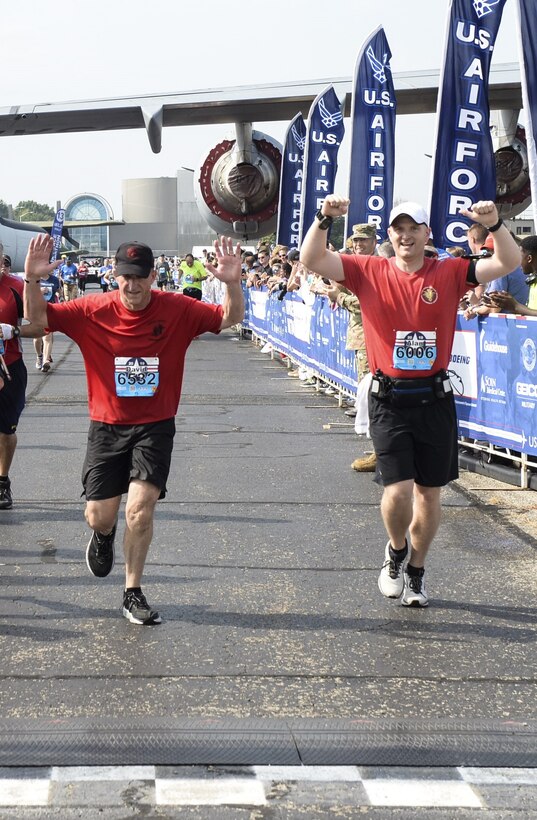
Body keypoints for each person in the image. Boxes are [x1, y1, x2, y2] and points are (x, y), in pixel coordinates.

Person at [300, 196, 520, 608]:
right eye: (398, 228)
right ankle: (396, 552)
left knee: (429, 495)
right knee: (398, 492)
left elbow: (506, 262)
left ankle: (417, 570)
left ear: (426, 233)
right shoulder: (368, 269)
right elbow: (312, 257)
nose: (406, 235)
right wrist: (324, 218)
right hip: (390, 398)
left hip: (434, 399)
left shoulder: (451, 271)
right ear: (390, 235)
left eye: (413, 228)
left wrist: (496, 225)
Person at [23, 234, 244, 625]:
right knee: (99, 516)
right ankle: (104, 535)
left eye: (140, 277)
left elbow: (229, 319)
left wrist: (231, 283)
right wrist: (32, 281)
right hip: (107, 427)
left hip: (155, 427)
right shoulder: (91, 309)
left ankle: (132, 591)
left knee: (140, 512)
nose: (133, 285)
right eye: (126, 277)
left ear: (153, 276)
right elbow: (39, 321)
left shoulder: (177, 309)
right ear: (115, 275)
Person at [320, 223, 378, 471]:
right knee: (369, 393)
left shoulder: (379, 266)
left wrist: (339, 297)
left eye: (363, 241)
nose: (358, 245)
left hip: (372, 338)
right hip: (361, 336)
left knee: (373, 394)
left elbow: (370, 301)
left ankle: (380, 453)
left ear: (374, 242)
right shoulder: (354, 265)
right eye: (355, 241)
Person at [0, 250, 30, 508]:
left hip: (8, 367)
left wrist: (14, 330)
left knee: (5, 429)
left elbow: (43, 325)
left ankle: (2, 482)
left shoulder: (16, 287)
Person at [33, 269, 61, 372]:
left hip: (50, 310)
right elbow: (28, 293)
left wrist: (58, 294)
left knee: (48, 337)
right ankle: (39, 356)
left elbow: (58, 292)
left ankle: (46, 361)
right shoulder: (35, 279)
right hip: (36, 310)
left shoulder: (54, 280)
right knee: (37, 338)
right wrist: (39, 291)